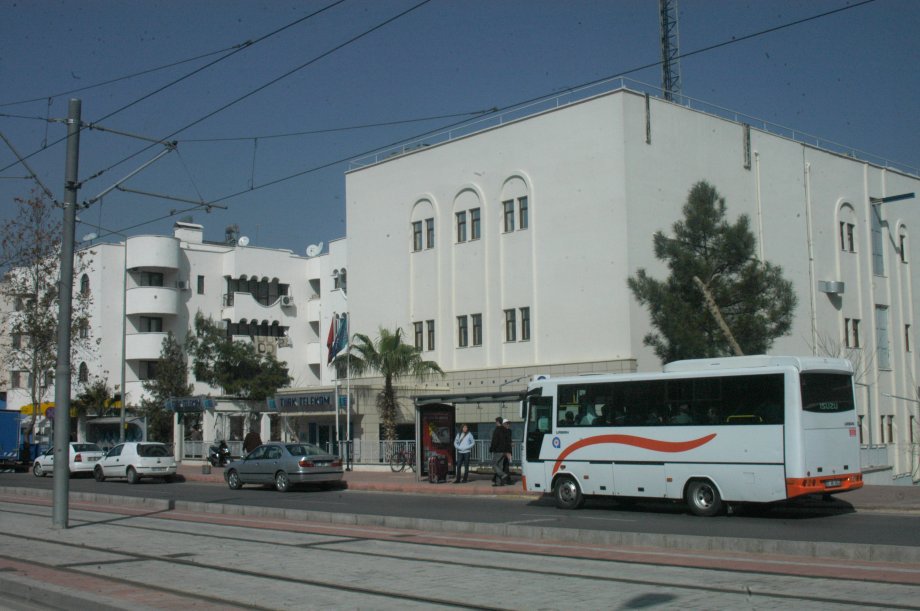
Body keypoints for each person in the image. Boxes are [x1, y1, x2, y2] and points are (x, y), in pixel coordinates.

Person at [489, 417, 511, 486]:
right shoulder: (505, 430)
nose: (495, 423)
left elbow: (494, 441)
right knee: (500, 466)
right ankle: (499, 483)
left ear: (498, 422)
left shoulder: (497, 430)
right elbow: (508, 441)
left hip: (498, 450)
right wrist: (508, 451)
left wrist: (491, 448)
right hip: (504, 451)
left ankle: (503, 474)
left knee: (494, 464)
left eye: (496, 422)